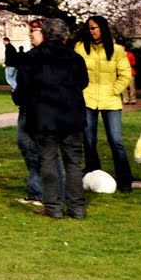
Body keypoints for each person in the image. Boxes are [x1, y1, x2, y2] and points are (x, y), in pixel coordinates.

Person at [14, 18, 89, 218]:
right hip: (71, 115)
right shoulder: (75, 58)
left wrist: (23, 99)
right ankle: (77, 208)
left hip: (43, 117)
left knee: (48, 161)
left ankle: (53, 207)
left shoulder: (32, 57)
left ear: (45, 35)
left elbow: (22, 89)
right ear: (65, 37)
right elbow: (83, 82)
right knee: (73, 163)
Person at [74, 15, 133, 194]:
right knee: (89, 139)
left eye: (94, 28)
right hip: (88, 98)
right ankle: (93, 174)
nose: (91, 31)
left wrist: (114, 90)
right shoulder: (80, 47)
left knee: (116, 141)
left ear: (103, 28)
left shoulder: (116, 50)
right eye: (89, 28)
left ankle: (125, 180)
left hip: (110, 100)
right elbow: (74, 70)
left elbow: (125, 74)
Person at [12, 20, 53, 207]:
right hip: (27, 108)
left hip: (42, 109)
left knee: (46, 151)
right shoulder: (29, 56)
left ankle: (51, 193)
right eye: (30, 31)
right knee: (27, 146)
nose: (30, 34)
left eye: (34, 31)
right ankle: (36, 191)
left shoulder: (49, 57)